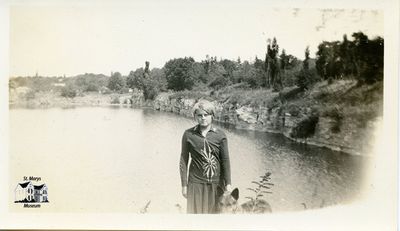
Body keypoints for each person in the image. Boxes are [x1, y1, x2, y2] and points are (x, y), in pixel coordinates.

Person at [179, 100, 232, 214]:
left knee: (215, 219)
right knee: (195, 219)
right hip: (195, 184)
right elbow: (183, 160)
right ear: (195, 117)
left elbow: (225, 161)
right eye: (199, 115)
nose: (203, 118)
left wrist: (228, 183)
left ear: (212, 116)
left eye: (206, 115)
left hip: (216, 185)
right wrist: (184, 185)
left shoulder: (220, 135)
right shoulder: (188, 134)